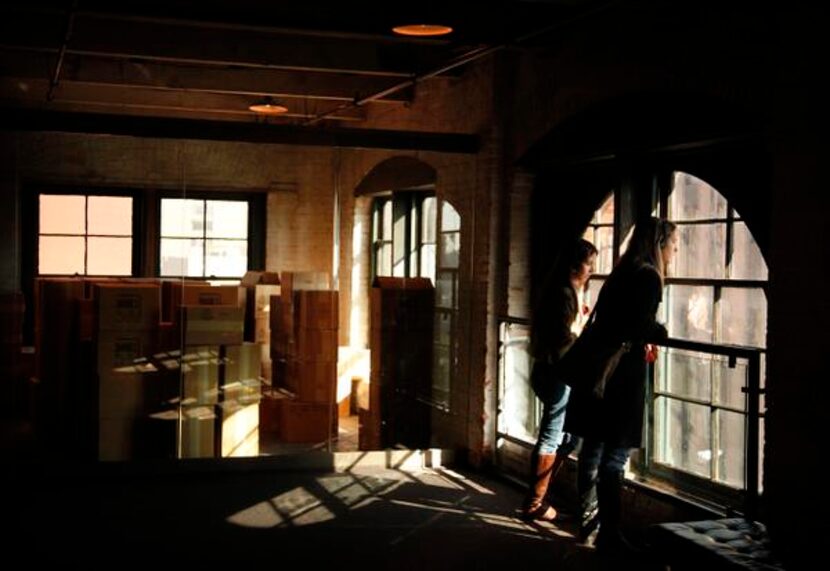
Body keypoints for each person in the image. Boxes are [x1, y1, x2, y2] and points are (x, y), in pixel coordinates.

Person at [564, 217, 678, 553]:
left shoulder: (621, 273)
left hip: (601, 373)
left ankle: (591, 523)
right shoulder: (649, 277)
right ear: (659, 244)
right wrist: (658, 331)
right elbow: (639, 326)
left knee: (594, 450)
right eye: (673, 244)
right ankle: (611, 532)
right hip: (622, 377)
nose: (675, 251)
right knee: (614, 457)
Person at [523, 238, 598, 521]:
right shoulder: (564, 293)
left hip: (554, 369)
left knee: (565, 437)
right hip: (559, 370)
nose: (591, 269)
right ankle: (535, 502)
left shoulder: (565, 291)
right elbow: (564, 338)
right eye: (588, 263)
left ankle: (538, 496)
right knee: (554, 434)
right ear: (574, 263)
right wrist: (581, 331)